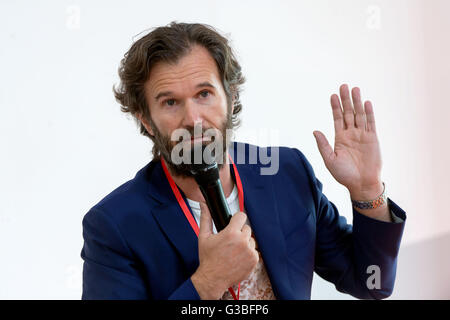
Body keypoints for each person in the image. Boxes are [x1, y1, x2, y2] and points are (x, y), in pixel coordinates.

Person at [80, 21, 406, 300]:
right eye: (170, 102)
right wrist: (207, 283)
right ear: (147, 120)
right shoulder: (114, 225)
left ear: (231, 96)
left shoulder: (286, 172)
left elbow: (370, 283)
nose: (193, 118)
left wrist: (367, 191)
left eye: (204, 94)